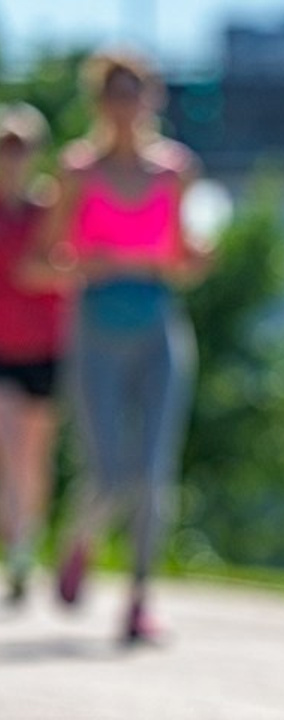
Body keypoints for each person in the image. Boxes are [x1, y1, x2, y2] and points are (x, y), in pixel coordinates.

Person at [38, 49, 212, 643]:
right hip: (94, 328)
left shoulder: (175, 172)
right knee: (109, 471)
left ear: (150, 100)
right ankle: (79, 540)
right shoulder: (76, 172)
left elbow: (185, 262)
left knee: (154, 471)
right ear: (99, 103)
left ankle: (138, 599)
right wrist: (90, 262)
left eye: (134, 91)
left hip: (159, 325)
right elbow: (44, 260)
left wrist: (197, 259)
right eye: (114, 92)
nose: (125, 104)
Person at [0, 103, 66, 604]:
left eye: (20, 147)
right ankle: (15, 532)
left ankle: (25, 544)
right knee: (7, 441)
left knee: (34, 457)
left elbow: (74, 267)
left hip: (46, 346)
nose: (12, 157)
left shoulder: (50, 210)